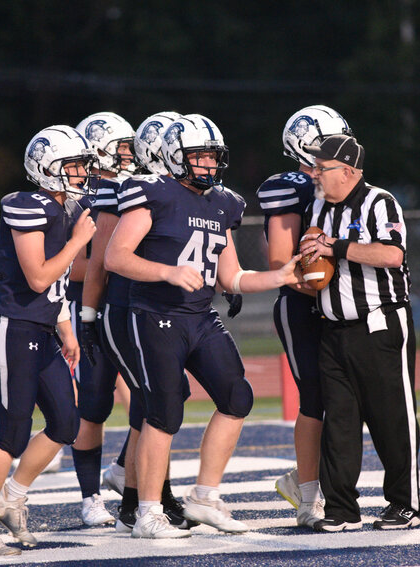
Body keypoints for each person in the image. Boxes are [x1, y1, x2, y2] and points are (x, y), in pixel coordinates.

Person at [105, 113, 302, 538]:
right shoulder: (153, 192)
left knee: (237, 396)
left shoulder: (224, 202)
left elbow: (230, 277)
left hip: (199, 315)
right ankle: (149, 512)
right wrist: (167, 272)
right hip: (155, 314)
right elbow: (115, 256)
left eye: (214, 156)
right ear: (175, 157)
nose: (209, 165)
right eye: (199, 156)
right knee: (164, 411)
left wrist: (280, 277)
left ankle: (204, 497)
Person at [0, 125, 98, 556]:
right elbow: (38, 275)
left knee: (65, 423)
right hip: (14, 332)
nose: (79, 174)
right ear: (45, 168)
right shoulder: (27, 204)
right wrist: (78, 242)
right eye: (71, 166)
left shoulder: (64, 208)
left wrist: (65, 327)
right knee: (12, 434)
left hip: (42, 331)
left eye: (80, 165)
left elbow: (52, 285)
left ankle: (12, 497)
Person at [80, 110, 196, 533]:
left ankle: (140, 493)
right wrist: (88, 317)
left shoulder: (175, 191)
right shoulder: (129, 192)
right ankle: (141, 501)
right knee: (154, 404)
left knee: (158, 403)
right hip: (125, 310)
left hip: (152, 312)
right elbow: (97, 266)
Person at [299, 135, 420, 532]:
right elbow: (314, 254)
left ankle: (406, 504)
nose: (315, 174)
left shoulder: (378, 201)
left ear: (348, 171)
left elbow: (392, 255)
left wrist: (334, 246)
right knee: (339, 421)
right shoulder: (317, 205)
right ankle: (341, 508)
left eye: (323, 168)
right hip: (332, 329)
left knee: (391, 419)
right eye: (315, 167)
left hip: (379, 324)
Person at [257, 104, 353, 528]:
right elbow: (281, 260)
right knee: (314, 397)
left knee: (346, 398)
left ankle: (311, 480)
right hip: (302, 303)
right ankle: (309, 497)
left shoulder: (345, 181)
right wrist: (316, 279)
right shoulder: (290, 186)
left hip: (342, 304)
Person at [67, 111, 138, 528]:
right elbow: (75, 268)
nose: (129, 153)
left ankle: (125, 472)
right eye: (121, 146)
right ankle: (91, 496)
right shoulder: (81, 198)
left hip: (130, 306)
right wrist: (114, 263)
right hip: (90, 308)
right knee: (93, 405)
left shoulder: (136, 188)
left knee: (157, 396)